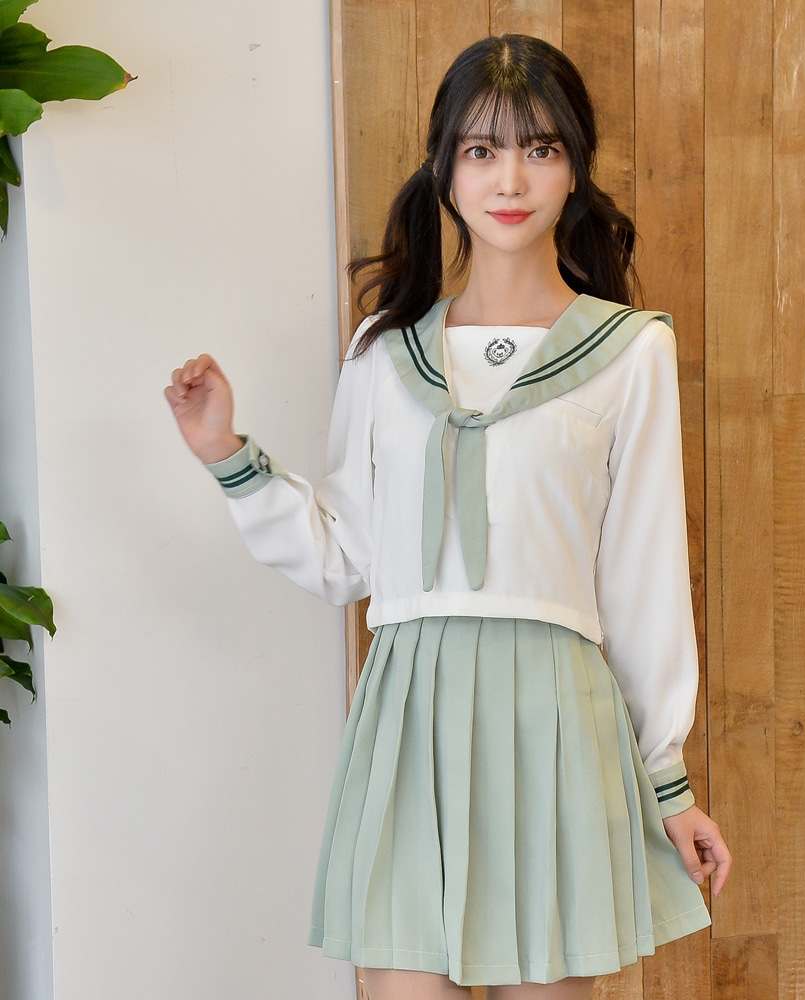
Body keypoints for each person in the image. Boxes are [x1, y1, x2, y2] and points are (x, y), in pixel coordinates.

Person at [166, 33, 731, 1000]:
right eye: (481, 149)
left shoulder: (631, 352)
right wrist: (226, 452)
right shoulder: (384, 352)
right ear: (443, 168)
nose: (510, 179)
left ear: (575, 168)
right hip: (408, 718)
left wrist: (666, 780)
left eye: (540, 148)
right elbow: (345, 556)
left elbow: (643, 584)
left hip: (556, 720)